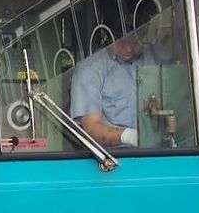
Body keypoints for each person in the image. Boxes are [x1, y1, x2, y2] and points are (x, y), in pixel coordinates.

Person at [69, 21, 182, 150]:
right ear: (109, 36)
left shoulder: (159, 59)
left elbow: (182, 106)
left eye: (135, 42)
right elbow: (92, 128)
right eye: (121, 42)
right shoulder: (90, 69)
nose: (129, 49)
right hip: (115, 159)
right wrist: (128, 136)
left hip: (162, 151)